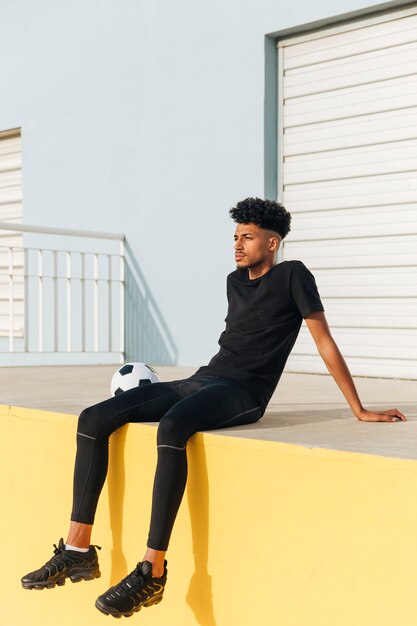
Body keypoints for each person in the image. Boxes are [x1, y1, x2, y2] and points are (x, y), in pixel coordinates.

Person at [21, 197, 406, 618]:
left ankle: (152, 570)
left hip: (243, 393)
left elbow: (323, 340)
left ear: (273, 242)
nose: (237, 245)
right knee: (93, 418)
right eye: (235, 237)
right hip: (202, 379)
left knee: (172, 428)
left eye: (248, 237)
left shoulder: (294, 275)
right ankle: (77, 548)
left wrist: (359, 408)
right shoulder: (234, 280)